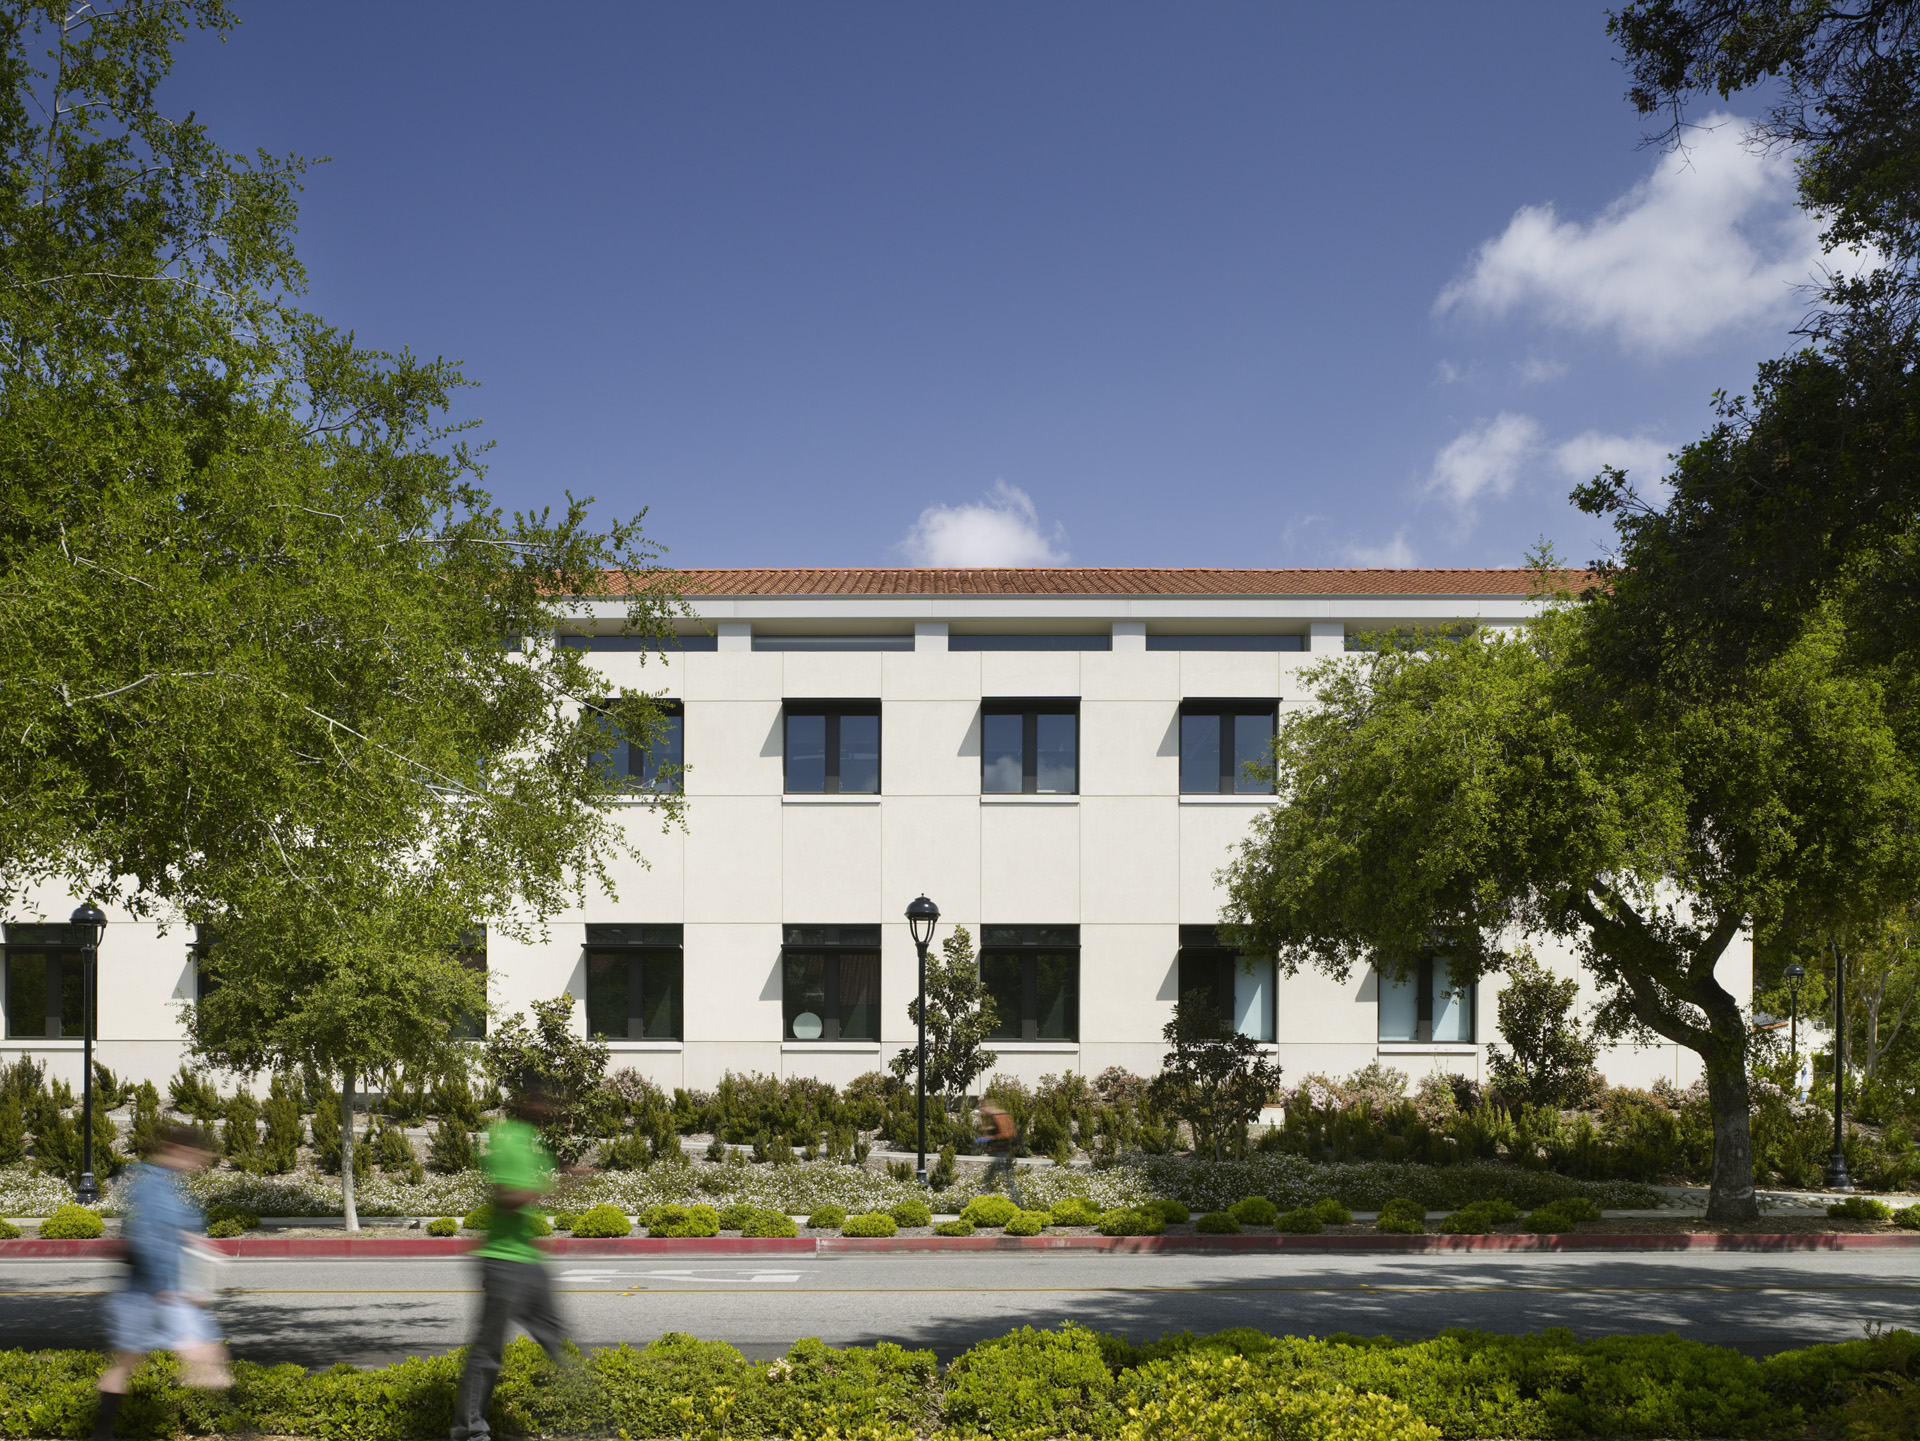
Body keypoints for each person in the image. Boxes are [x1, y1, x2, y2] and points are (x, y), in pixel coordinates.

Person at [452, 1082, 584, 1441]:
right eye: (542, 1099)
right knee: (488, 1349)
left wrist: (562, 1173)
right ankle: (469, 1433)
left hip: (526, 1258)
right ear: (526, 1101)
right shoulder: (508, 1138)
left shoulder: (532, 1140)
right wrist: (549, 1185)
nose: (549, 1107)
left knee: (556, 1338)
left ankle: (588, 1415)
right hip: (502, 1261)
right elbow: (507, 1196)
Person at [94, 1121, 230, 1441]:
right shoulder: (153, 1185)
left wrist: (193, 1241)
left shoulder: (161, 1183)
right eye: (193, 1156)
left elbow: (168, 1230)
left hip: (147, 1294)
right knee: (209, 1359)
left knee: (126, 1367)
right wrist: (164, 1288)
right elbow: (145, 1237)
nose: (197, 1164)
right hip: (156, 1294)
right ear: (175, 1151)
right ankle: (242, 1430)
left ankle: (101, 1434)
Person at [976, 1101, 1021, 1207]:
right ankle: (1019, 1203)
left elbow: (1006, 1134)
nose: (982, 1111)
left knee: (991, 1179)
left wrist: (988, 1138)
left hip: (1001, 1153)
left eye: (983, 1109)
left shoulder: (998, 1116)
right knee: (1005, 1180)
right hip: (1001, 1152)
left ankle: (978, 1201)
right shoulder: (999, 1116)